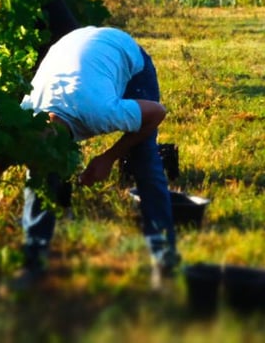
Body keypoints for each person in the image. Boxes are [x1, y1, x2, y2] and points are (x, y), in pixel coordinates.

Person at [16, 25, 180, 284]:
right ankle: (33, 262)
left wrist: (109, 157)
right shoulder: (27, 113)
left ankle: (164, 258)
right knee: (39, 177)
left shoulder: (99, 112)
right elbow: (31, 155)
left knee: (143, 157)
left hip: (124, 54)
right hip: (72, 47)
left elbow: (157, 113)